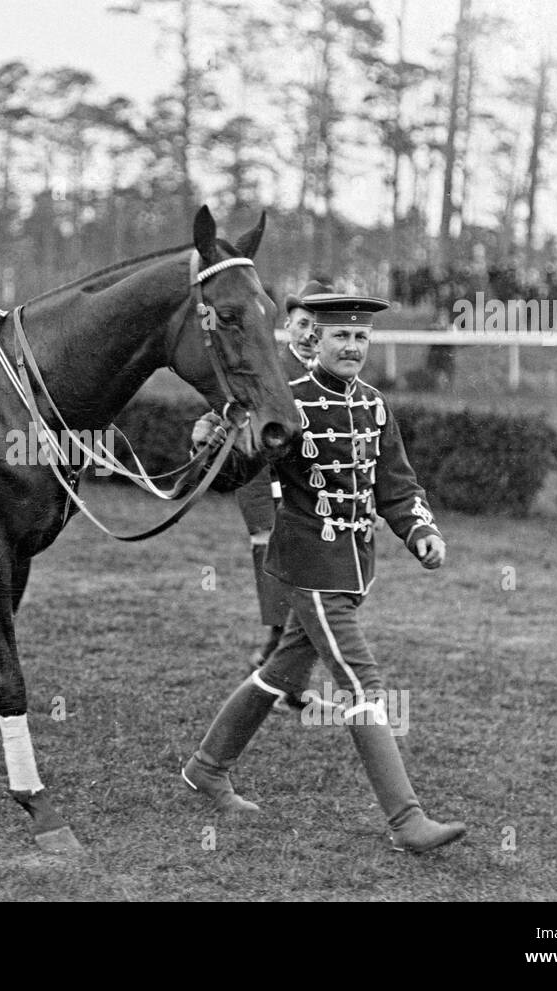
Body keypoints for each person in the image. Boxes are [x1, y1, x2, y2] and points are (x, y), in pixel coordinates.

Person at [182, 293, 467, 854]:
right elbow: (235, 472)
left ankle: (207, 767)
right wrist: (210, 443)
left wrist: (421, 532)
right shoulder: (287, 404)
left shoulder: (376, 405)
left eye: (361, 338)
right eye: (342, 337)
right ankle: (407, 820)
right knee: (362, 684)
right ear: (316, 342)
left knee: (281, 673)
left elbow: (397, 486)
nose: (353, 347)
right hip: (309, 566)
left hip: (355, 565)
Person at [237, 280, 330, 671]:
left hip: (314, 501)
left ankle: (281, 675)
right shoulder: (269, 372)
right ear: (288, 325)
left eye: (320, 329)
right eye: (304, 324)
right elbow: (245, 437)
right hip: (272, 494)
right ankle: (274, 668)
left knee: (316, 591)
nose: (311, 335)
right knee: (284, 584)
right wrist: (259, 515)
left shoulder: (333, 379)